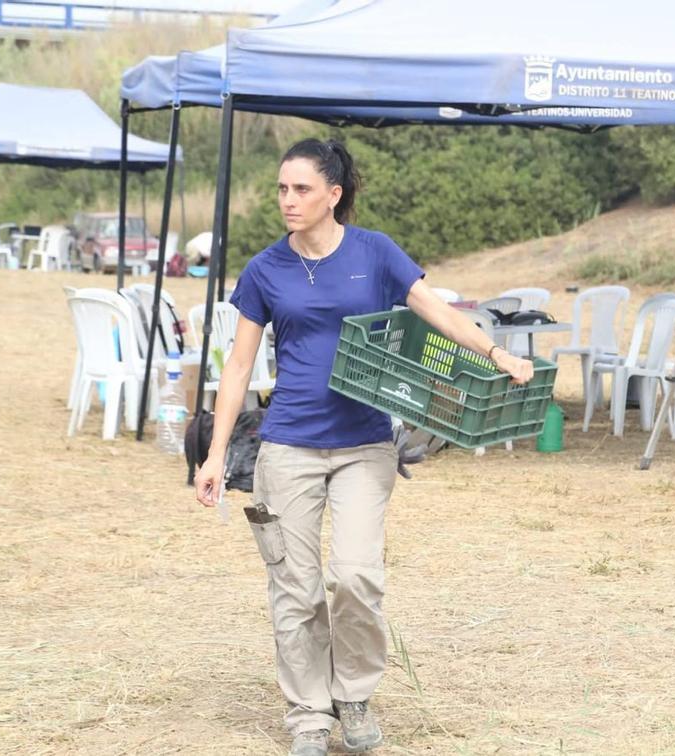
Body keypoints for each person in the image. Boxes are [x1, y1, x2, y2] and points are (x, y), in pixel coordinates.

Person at [194, 138, 532, 756]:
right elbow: (239, 366)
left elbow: (438, 312)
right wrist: (215, 454)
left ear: (333, 194)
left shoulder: (374, 252)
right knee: (295, 590)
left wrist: (496, 352)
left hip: (364, 446)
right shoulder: (266, 268)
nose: (288, 200)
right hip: (287, 446)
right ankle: (308, 716)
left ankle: (353, 696)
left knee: (355, 578)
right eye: (281, 188)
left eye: (301, 189)